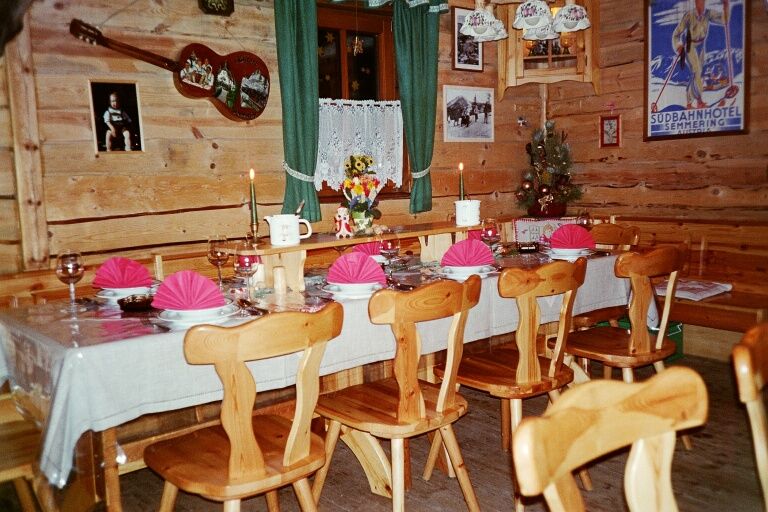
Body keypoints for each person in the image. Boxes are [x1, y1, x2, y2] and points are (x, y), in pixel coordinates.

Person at [671, 0, 728, 110]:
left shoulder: (708, 14)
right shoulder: (689, 15)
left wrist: (726, 7)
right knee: (696, 70)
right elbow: (676, 34)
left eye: (702, 1)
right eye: (698, 2)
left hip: (701, 45)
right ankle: (694, 102)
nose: (700, 4)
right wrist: (678, 46)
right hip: (690, 45)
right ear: (696, 2)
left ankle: (695, 102)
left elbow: (724, 20)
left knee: (698, 74)